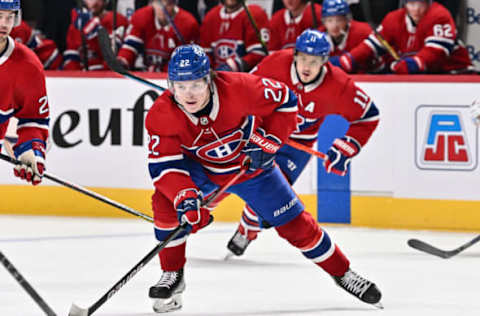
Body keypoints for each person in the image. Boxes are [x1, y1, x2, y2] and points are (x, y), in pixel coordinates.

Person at [145, 43, 381, 313]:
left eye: (196, 85)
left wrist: (270, 142)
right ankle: (173, 275)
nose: (189, 94)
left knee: (297, 226)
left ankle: (343, 273)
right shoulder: (160, 114)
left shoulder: (240, 88)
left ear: (209, 80)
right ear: (170, 84)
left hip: (251, 168)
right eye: (181, 86)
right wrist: (185, 197)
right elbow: (165, 166)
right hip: (202, 170)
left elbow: (287, 101)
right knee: (166, 205)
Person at [227, 29, 379, 259]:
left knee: (270, 193)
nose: (307, 67)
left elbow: (368, 115)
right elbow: (245, 93)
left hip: (297, 146)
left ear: (325, 62)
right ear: (295, 55)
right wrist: (249, 128)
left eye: (315, 61)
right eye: (304, 59)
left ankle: (246, 230)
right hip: (265, 134)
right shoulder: (275, 64)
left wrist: (346, 148)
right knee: (227, 174)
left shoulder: (338, 86)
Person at [336, 0, 473, 74]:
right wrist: (348, 59)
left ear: (428, 2)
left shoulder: (439, 15)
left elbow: (436, 52)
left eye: (421, 3)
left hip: (455, 73)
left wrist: (412, 64)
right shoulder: (394, 19)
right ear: (405, 4)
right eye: (412, 3)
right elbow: (372, 45)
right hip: (426, 77)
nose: (416, 9)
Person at [0, 0, 49, 186]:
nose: (4, 24)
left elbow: (34, 120)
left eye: (10, 17)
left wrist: (31, 150)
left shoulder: (28, 66)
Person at [117, 0, 199, 72]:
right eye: (159, 3)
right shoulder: (141, 16)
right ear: (152, 3)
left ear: (174, 4)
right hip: (144, 74)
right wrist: (123, 61)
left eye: (168, 4)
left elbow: (185, 62)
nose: (163, 9)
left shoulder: (188, 23)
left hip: (173, 79)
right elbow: (130, 47)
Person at [200, 0, 270, 72]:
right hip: (216, 78)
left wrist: (233, 66)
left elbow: (259, 54)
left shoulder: (254, 14)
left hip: (246, 78)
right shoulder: (211, 16)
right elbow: (205, 54)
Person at [63, 0, 128, 70]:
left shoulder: (117, 20)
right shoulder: (77, 24)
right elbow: (71, 58)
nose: (94, 2)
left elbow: (113, 57)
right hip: (83, 76)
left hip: (107, 76)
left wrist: (95, 28)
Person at [319, 0, 382, 73]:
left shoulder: (364, 32)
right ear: (323, 22)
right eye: (329, 20)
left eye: (339, 20)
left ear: (347, 20)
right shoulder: (318, 37)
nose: (334, 26)